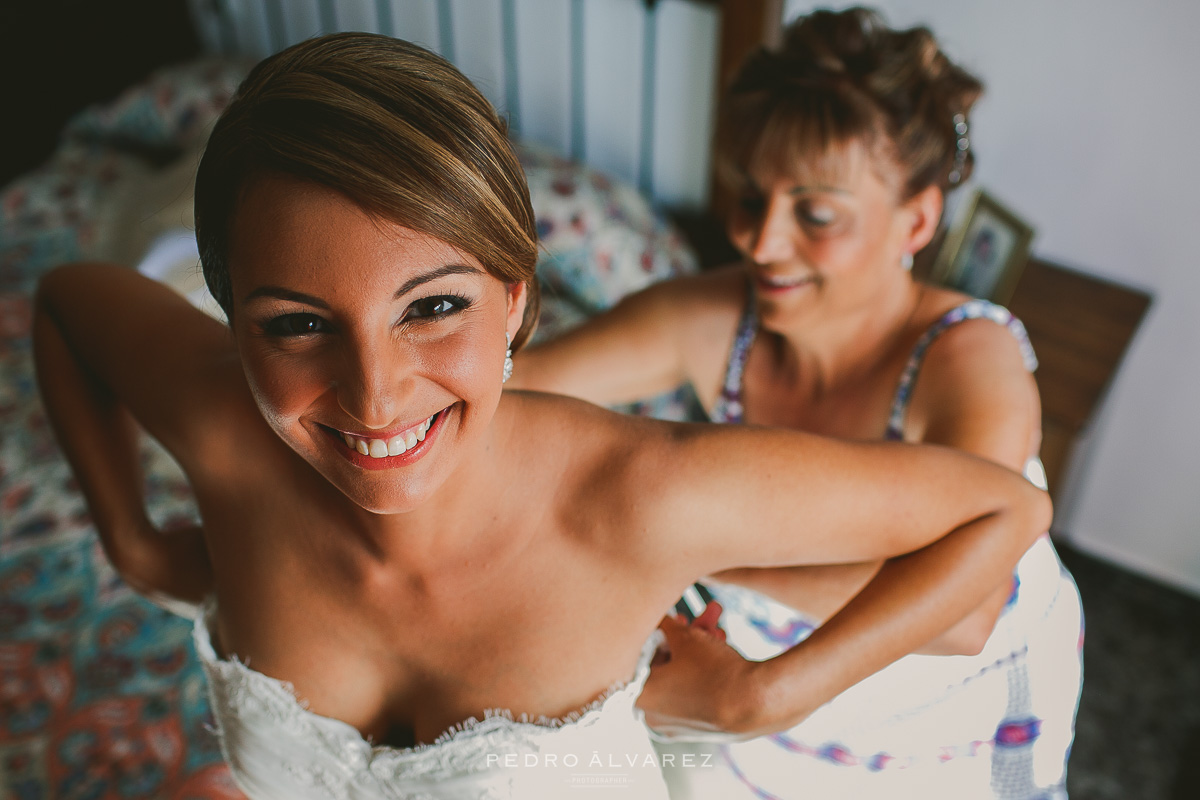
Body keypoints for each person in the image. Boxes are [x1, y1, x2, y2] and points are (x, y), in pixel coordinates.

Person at [33, 32, 1051, 800]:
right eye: (298, 322)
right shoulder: (223, 428)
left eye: (434, 306)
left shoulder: (665, 490)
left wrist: (759, 690)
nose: (377, 391)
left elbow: (997, 523)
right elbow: (71, 300)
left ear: (516, 296)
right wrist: (130, 542)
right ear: (233, 321)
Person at [510, 7, 1083, 799]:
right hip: (789, 691)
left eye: (815, 214)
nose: (761, 241)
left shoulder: (968, 359)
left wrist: (688, 547)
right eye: (751, 196)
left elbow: (963, 615)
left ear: (915, 219)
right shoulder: (712, 319)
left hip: (949, 698)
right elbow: (510, 387)